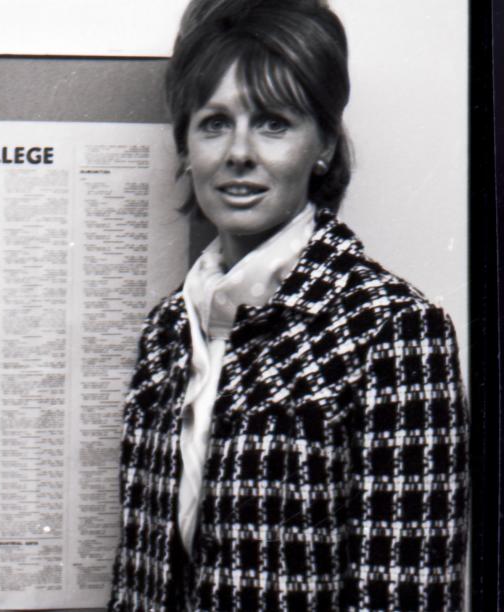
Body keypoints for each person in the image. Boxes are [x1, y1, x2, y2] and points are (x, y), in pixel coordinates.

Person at [109, 0, 468, 609]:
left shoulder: (392, 326)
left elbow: (408, 593)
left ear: (323, 143)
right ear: (186, 145)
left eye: (273, 123)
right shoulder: (168, 329)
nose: (239, 153)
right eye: (214, 122)